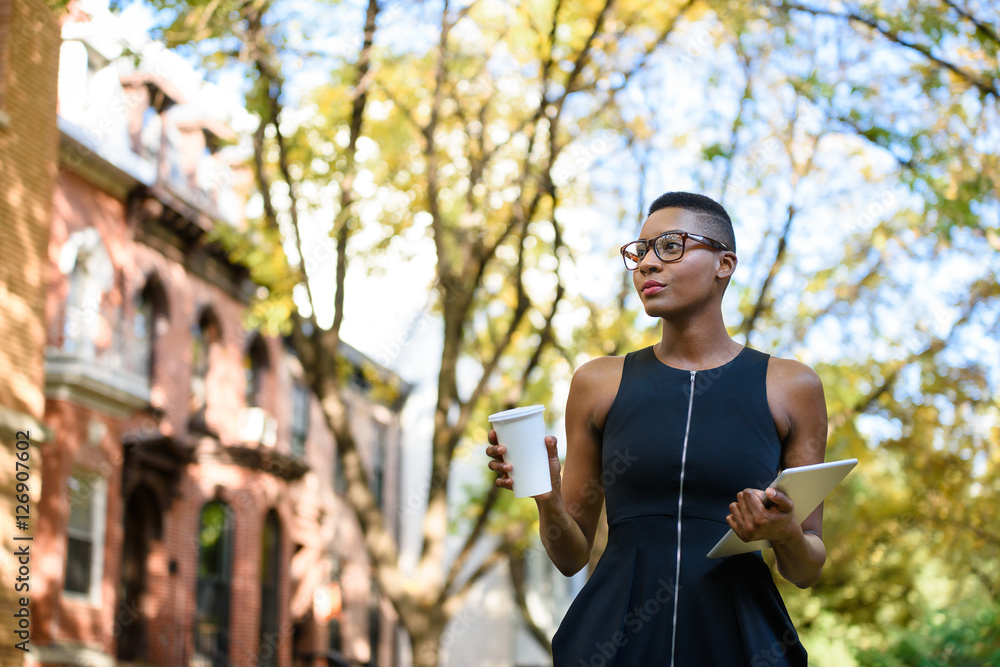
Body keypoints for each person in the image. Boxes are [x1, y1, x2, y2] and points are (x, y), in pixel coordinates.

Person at [486, 192, 828, 666]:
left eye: (670, 246)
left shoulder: (792, 386)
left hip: (742, 641)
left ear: (724, 263)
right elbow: (570, 557)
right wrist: (547, 496)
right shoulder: (597, 382)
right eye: (640, 251)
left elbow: (806, 568)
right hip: (612, 642)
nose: (647, 263)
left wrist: (786, 533)